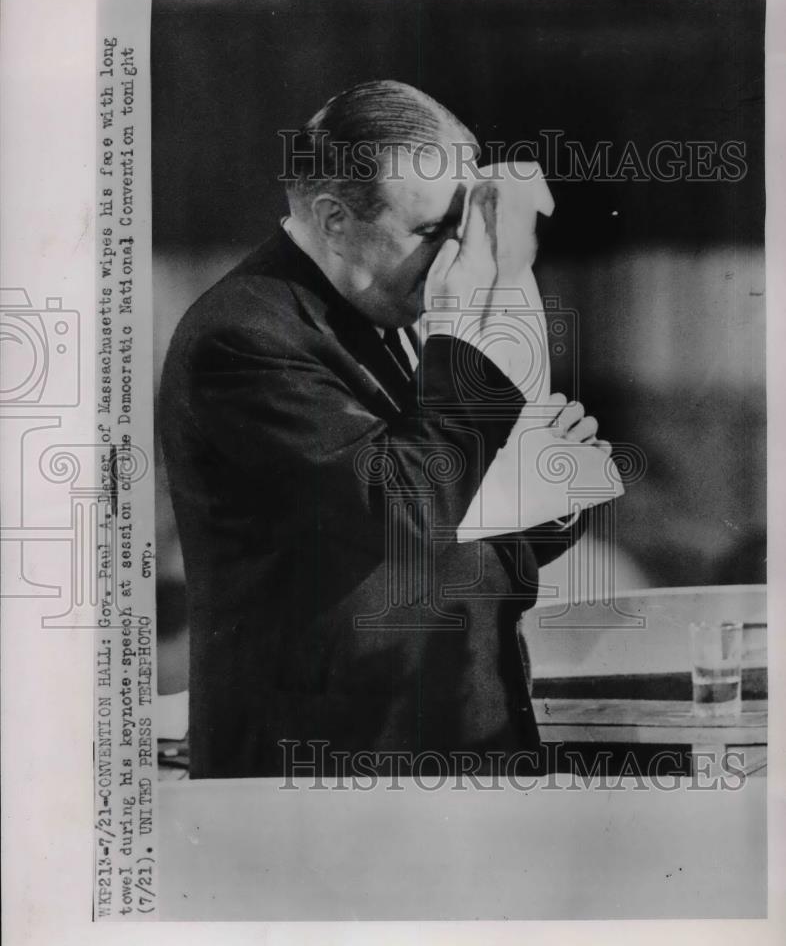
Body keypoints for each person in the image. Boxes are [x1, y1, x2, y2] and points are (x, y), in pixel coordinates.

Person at [159, 80, 608, 779]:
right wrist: (469, 345)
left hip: (459, 732)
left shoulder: (384, 306)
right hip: (330, 766)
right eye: (433, 233)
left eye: (465, 229)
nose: (462, 260)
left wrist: (556, 489)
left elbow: (447, 534)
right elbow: (406, 511)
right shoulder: (245, 336)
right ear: (335, 218)